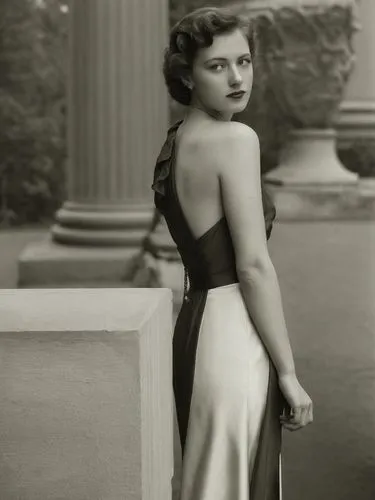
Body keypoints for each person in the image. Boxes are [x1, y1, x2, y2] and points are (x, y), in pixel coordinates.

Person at [151, 6, 313, 500]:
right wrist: (288, 373)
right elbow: (254, 266)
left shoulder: (179, 141)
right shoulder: (236, 140)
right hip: (231, 336)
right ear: (188, 75)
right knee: (233, 479)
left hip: (197, 328)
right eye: (217, 66)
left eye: (243, 61)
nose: (237, 77)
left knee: (211, 478)